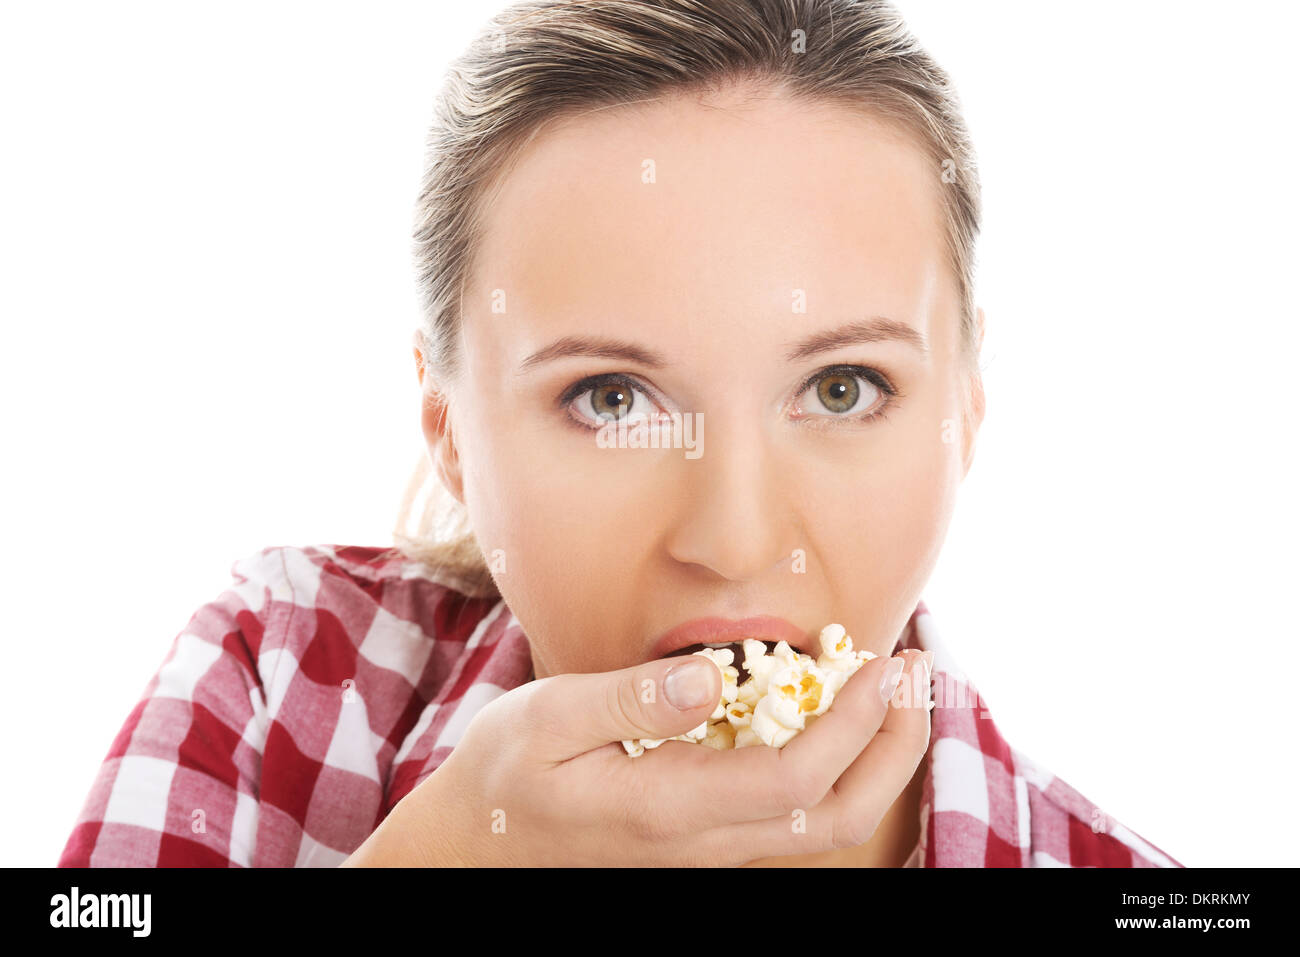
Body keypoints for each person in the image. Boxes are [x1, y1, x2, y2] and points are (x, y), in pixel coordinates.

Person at [58, 0, 1183, 868]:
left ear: (964, 409)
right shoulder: (281, 673)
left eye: (841, 388)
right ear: (449, 432)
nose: (734, 543)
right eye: (610, 399)